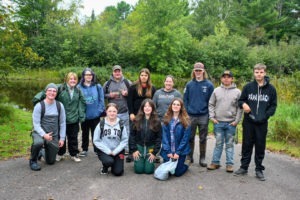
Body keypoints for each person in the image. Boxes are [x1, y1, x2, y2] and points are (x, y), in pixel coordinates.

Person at [234, 63, 277, 181]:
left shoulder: (271, 89)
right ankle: (244, 167)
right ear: (254, 73)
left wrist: (265, 116)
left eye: (261, 72)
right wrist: (244, 104)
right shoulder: (248, 87)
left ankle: (259, 169)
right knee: (246, 144)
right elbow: (240, 100)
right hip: (248, 121)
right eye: (257, 72)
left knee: (260, 145)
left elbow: (273, 106)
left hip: (262, 123)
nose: (259, 74)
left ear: (265, 73)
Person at [207, 70, 243, 173]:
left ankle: (229, 164)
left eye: (228, 77)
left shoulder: (237, 92)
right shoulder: (216, 90)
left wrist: (237, 121)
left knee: (229, 144)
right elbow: (211, 104)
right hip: (218, 122)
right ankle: (215, 162)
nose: (226, 78)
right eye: (224, 77)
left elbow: (240, 108)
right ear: (221, 79)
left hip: (231, 123)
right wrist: (212, 117)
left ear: (232, 79)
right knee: (218, 143)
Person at [29, 83, 66, 171]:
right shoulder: (39, 106)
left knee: (50, 162)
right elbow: (36, 125)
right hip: (39, 133)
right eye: (49, 90)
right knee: (38, 143)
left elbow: (62, 123)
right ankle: (33, 160)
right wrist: (44, 135)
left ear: (56, 93)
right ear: (46, 92)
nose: (52, 93)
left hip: (53, 135)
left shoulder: (59, 105)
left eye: (54, 91)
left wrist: (62, 138)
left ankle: (41, 152)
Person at [183, 62, 214, 167]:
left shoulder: (209, 85)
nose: (198, 72)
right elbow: (185, 99)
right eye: (196, 70)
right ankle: (189, 157)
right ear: (194, 71)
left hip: (203, 115)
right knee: (190, 137)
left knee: (203, 138)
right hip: (191, 115)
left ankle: (202, 158)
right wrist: (186, 112)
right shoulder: (189, 84)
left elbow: (211, 101)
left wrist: (210, 114)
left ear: (203, 71)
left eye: (200, 70)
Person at [127, 68, 156, 162]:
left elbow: (154, 103)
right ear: (139, 76)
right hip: (135, 114)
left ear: (148, 77)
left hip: (148, 114)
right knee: (133, 133)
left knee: (147, 133)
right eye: (142, 75)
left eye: (145, 75)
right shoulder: (133, 87)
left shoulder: (152, 88)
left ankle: (151, 153)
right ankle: (132, 152)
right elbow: (129, 101)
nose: (143, 77)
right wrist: (131, 113)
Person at [56, 72, 86, 162]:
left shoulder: (78, 90)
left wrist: (81, 116)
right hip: (61, 118)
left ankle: (74, 154)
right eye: (71, 79)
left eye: (74, 79)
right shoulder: (60, 88)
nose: (73, 80)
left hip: (74, 118)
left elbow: (82, 103)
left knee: (73, 137)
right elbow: (51, 96)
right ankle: (60, 154)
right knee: (61, 137)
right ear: (67, 80)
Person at [93, 103, 128, 176]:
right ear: (106, 112)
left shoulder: (121, 124)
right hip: (105, 150)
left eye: (114, 111)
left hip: (117, 151)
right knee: (109, 161)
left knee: (118, 172)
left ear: (117, 112)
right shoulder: (101, 124)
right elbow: (96, 140)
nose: (112, 113)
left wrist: (115, 151)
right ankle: (105, 167)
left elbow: (124, 140)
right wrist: (108, 151)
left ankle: (114, 163)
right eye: (110, 111)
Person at [103, 65, 131, 153]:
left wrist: (127, 94)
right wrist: (109, 95)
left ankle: (126, 148)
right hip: (111, 113)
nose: (117, 73)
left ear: (121, 72)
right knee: (112, 131)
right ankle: (113, 148)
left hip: (124, 111)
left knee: (126, 130)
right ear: (113, 73)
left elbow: (134, 94)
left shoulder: (127, 82)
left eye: (119, 71)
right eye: (115, 71)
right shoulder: (107, 83)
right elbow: (102, 95)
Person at [129, 99, 162, 174]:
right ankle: (139, 161)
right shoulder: (136, 120)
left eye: (149, 106)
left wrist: (154, 153)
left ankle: (149, 162)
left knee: (149, 171)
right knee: (139, 170)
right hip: (139, 147)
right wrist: (134, 150)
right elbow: (132, 136)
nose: (147, 108)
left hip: (150, 148)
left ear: (153, 108)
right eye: (145, 106)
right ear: (142, 108)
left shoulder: (157, 121)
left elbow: (159, 138)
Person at [77, 68, 105, 157]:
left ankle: (97, 149)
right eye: (87, 75)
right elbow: (77, 101)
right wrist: (80, 113)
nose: (88, 76)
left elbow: (102, 100)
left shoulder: (97, 86)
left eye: (90, 75)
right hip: (84, 115)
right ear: (83, 76)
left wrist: (99, 111)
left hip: (95, 115)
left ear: (92, 76)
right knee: (84, 133)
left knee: (96, 133)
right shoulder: (78, 87)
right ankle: (84, 149)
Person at [161, 98, 191, 177]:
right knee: (168, 173)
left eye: (178, 105)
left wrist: (178, 152)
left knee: (177, 173)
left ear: (181, 107)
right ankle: (170, 160)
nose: (175, 106)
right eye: (174, 104)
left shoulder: (186, 120)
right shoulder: (166, 119)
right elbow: (164, 138)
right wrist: (168, 152)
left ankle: (186, 165)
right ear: (171, 106)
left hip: (180, 151)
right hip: (168, 151)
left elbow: (185, 139)